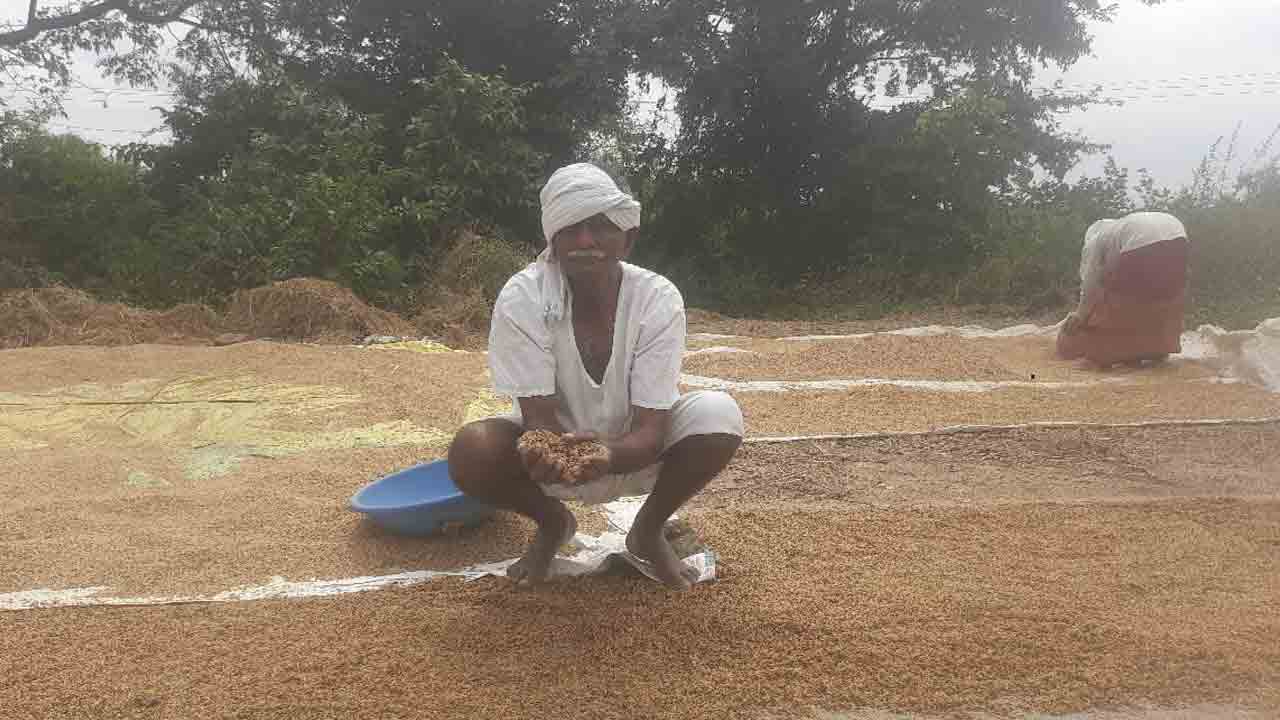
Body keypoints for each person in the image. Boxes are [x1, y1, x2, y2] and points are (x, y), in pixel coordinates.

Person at [447, 162, 744, 590]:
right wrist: (548, 452)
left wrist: (609, 454)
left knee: (720, 415)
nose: (585, 240)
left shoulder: (657, 298)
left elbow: (650, 427)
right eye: (571, 228)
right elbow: (540, 422)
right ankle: (553, 524)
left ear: (628, 238)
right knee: (472, 449)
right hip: (554, 452)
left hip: (639, 446)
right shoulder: (524, 296)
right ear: (552, 239)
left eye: (600, 226)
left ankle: (648, 528)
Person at [1056, 211, 1190, 367]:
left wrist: (1081, 315)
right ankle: (1159, 348)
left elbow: (1091, 283)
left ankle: (1103, 355)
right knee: (1166, 295)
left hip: (1142, 242)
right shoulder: (1118, 232)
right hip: (1177, 232)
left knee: (1116, 298)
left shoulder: (1098, 240)